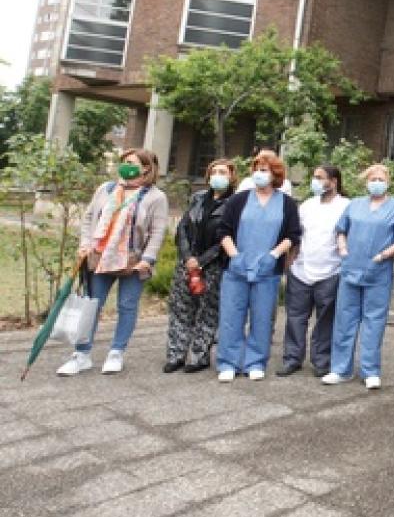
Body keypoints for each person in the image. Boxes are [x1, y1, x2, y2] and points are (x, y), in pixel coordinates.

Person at [57, 148, 169, 377]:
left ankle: (116, 352)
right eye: (124, 161)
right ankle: (81, 354)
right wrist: (85, 244)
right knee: (91, 306)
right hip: (100, 257)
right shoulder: (106, 189)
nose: (125, 165)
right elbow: (89, 218)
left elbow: (157, 232)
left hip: (133, 260)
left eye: (130, 162)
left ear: (146, 167)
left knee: (127, 307)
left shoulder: (155, 197)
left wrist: (148, 259)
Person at [323, 164, 394, 389]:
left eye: (380, 179)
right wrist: (343, 248)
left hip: (378, 272)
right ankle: (340, 369)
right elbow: (341, 229)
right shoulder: (355, 205)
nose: (376, 182)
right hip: (351, 269)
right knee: (344, 319)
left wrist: (382, 256)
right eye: (373, 179)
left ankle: (370, 371)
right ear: (366, 181)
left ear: (388, 182)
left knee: (374, 322)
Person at [217, 150, 301, 382]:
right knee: (231, 315)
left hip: (267, 270)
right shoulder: (238, 200)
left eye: (263, 170)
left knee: (262, 317)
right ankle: (228, 362)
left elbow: (293, 234)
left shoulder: (287, 204)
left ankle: (255, 361)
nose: (258, 174)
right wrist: (235, 256)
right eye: (256, 169)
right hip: (236, 268)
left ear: (275, 174)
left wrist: (274, 255)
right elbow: (223, 231)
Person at [163, 158, 236, 374]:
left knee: (207, 311)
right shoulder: (197, 198)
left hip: (213, 265)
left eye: (223, 172)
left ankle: (198, 356)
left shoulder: (235, 203)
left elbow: (228, 237)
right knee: (180, 309)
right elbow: (183, 228)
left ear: (232, 176)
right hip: (187, 263)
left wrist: (203, 261)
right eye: (214, 172)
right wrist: (188, 257)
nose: (218, 176)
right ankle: (176, 354)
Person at [279, 165, 350, 378]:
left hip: (331, 271)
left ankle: (321, 360)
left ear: (334, 181)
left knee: (325, 319)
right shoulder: (307, 206)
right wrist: (289, 262)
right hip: (301, 270)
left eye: (320, 177)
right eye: (314, 177)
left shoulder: (346, 206)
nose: (315, 181)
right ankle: (292, 358)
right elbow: (296, 236)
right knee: (295, 316)